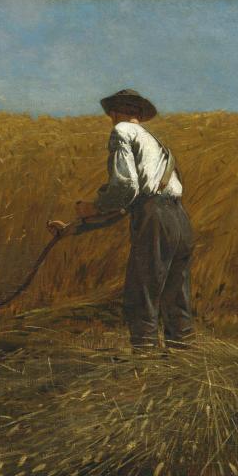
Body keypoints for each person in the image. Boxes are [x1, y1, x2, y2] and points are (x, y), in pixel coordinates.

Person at [49, 89, 194, 351]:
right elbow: (129, 203)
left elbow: (126, 189)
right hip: (180, 220)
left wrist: (93, 207)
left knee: (142, 293)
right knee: (176, 296)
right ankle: (184, 357)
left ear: (114, 113)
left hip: (154, 219)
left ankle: (145, 358)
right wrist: (73, 229)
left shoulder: (122, 131)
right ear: (140, 113)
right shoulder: (157, 144)